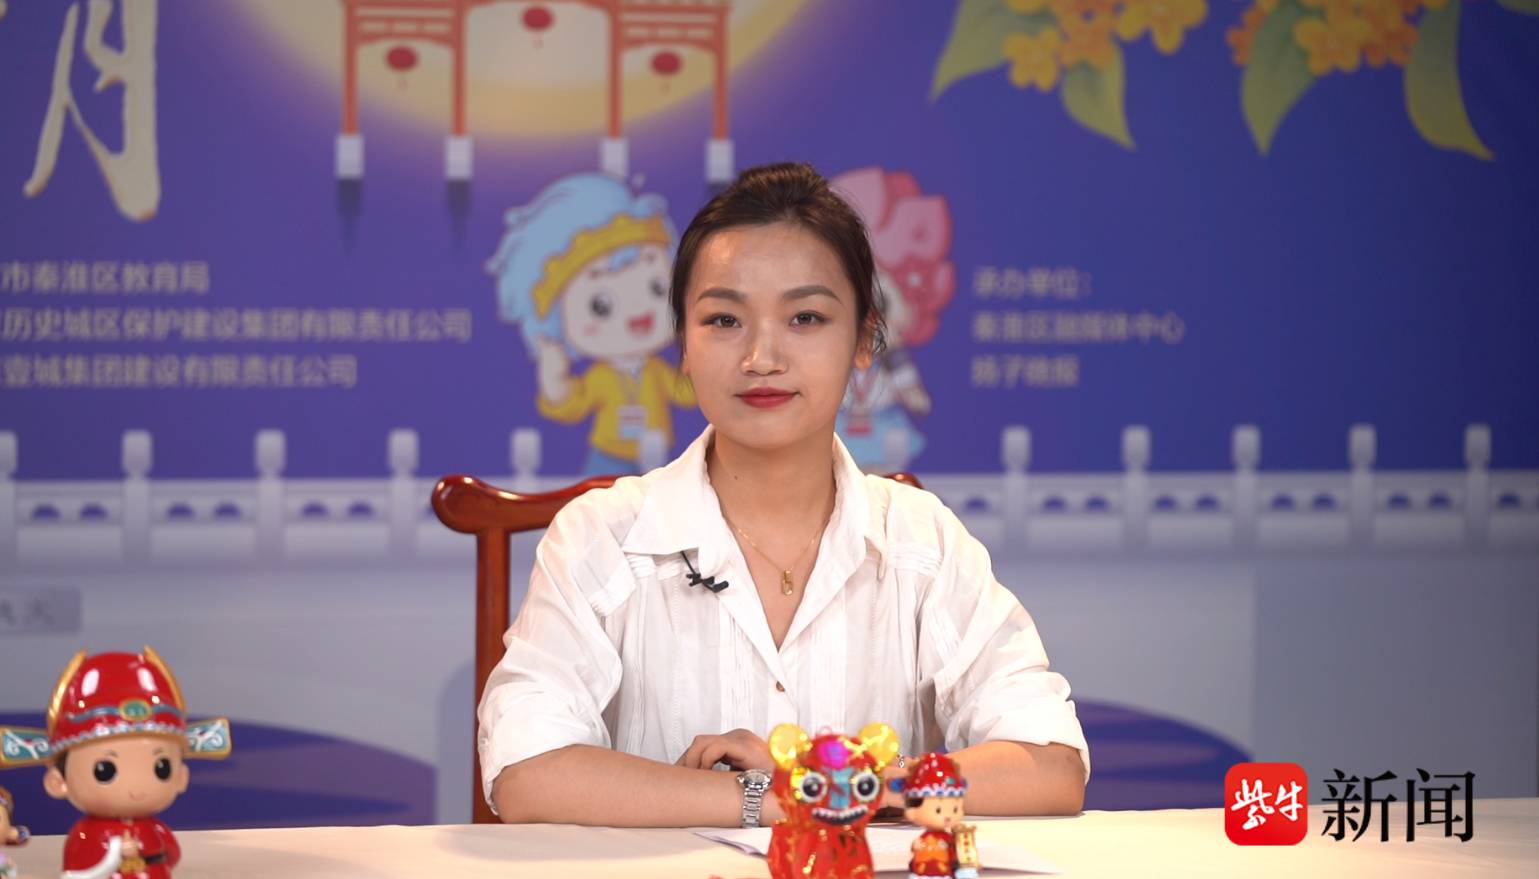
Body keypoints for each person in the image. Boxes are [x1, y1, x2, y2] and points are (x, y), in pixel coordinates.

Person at [477, 162, 1089, 827]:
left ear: (864, 339)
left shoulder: (923, 542)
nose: (761, 357)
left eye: (805, 317)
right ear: (683, 345)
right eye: (723, 319)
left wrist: (829, 782)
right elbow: (526, 772)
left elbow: (1047, 764)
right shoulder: (600, 537)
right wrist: (775, 798)